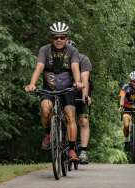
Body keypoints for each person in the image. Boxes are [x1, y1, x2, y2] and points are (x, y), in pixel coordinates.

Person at [24, 21, 82, 161]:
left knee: (70, 115)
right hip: (49, 88)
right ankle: (48, 134)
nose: (59, 40)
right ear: (51, 38)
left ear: (66, 38)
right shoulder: (44, 50)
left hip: (67, 88)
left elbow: (75, 67)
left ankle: (72, 150)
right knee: (45, 109)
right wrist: (32, 84)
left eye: (62, 37)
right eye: (56, 37)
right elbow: (39, 67)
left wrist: (78, 82)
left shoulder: (72, 51)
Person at [67, 40, 92, 164]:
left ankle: (83, 151)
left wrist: (85, 96)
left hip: (80, 91)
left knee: (83, 120)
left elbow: (85, 79)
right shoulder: (60, 60)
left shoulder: (83, 59)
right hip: (65, 91)